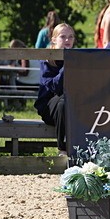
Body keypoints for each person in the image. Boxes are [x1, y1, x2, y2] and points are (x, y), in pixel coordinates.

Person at [36, 23, 75, 152]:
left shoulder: (78, 57)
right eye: (63, 37)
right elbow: (55, 87)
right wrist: (68, 65)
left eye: (70, 37)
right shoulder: (47, 59)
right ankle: (63, 149)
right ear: (54, 39)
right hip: (50, 105)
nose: (67, 40)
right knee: (63, 102)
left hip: (73, 103)